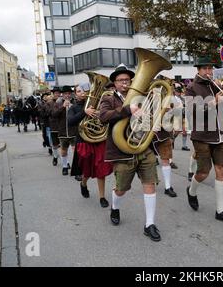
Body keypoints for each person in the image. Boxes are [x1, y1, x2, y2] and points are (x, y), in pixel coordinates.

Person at [98, 64, 162, 241]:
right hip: (121, 152)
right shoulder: (108, 99)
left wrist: (153, 125)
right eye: (120, 80)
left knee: (150, 184)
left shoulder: (142, 97)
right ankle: (115, 207)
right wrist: (128, 110)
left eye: (127, 80)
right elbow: (103, 117)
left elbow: (150, 116)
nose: (124, 83)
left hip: (144, 148)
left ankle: (150, 224)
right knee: (121, 189)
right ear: (115, 83)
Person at [184, 55, 223, 224]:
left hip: (220, 134)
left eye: (210, 68)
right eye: (205, 68)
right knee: (203, 173)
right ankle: (191, 191)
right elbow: (193, 111)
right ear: (198, 70)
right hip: (202, 136)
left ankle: (220, 210)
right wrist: (213, 101)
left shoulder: (216, 85)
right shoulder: (191, 87)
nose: (209, 71)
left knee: (221, 170)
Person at [68, 83, 113, 208]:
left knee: (101, 170)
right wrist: (84, 112)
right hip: (83, 142)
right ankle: (83, 183)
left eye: (84, 90)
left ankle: (102, 197)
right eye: (78, 91)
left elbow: (106, 120)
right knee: (86, 171)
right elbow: (70, 122)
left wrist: (100, 114)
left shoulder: (98, 104)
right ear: (75, 94)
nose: (82, 93)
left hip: (98, 141)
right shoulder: (74, 108)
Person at [52, 86, 76, 176]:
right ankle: (65, 166)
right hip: (62, 131)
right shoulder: (58, 103)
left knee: (75, 151)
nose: (67, 95)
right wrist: (63, 107)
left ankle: (75, 168)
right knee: (63, 151)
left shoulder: (75, 102)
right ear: (62, 94)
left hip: (74, 131)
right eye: (65, 94)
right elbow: (54, 114)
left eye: (69, 93)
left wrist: (72, 107)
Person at [48, 87, 62, 166]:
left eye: (58, 93)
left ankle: (65, 162)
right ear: (53, 94)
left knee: (63, 145)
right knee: (55, 144)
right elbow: (49, 112)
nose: (57, 94)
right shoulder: (50, 103)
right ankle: (55, 157)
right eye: (56, 93)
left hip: (62, 126)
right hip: (53, 126)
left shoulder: (62, 101)